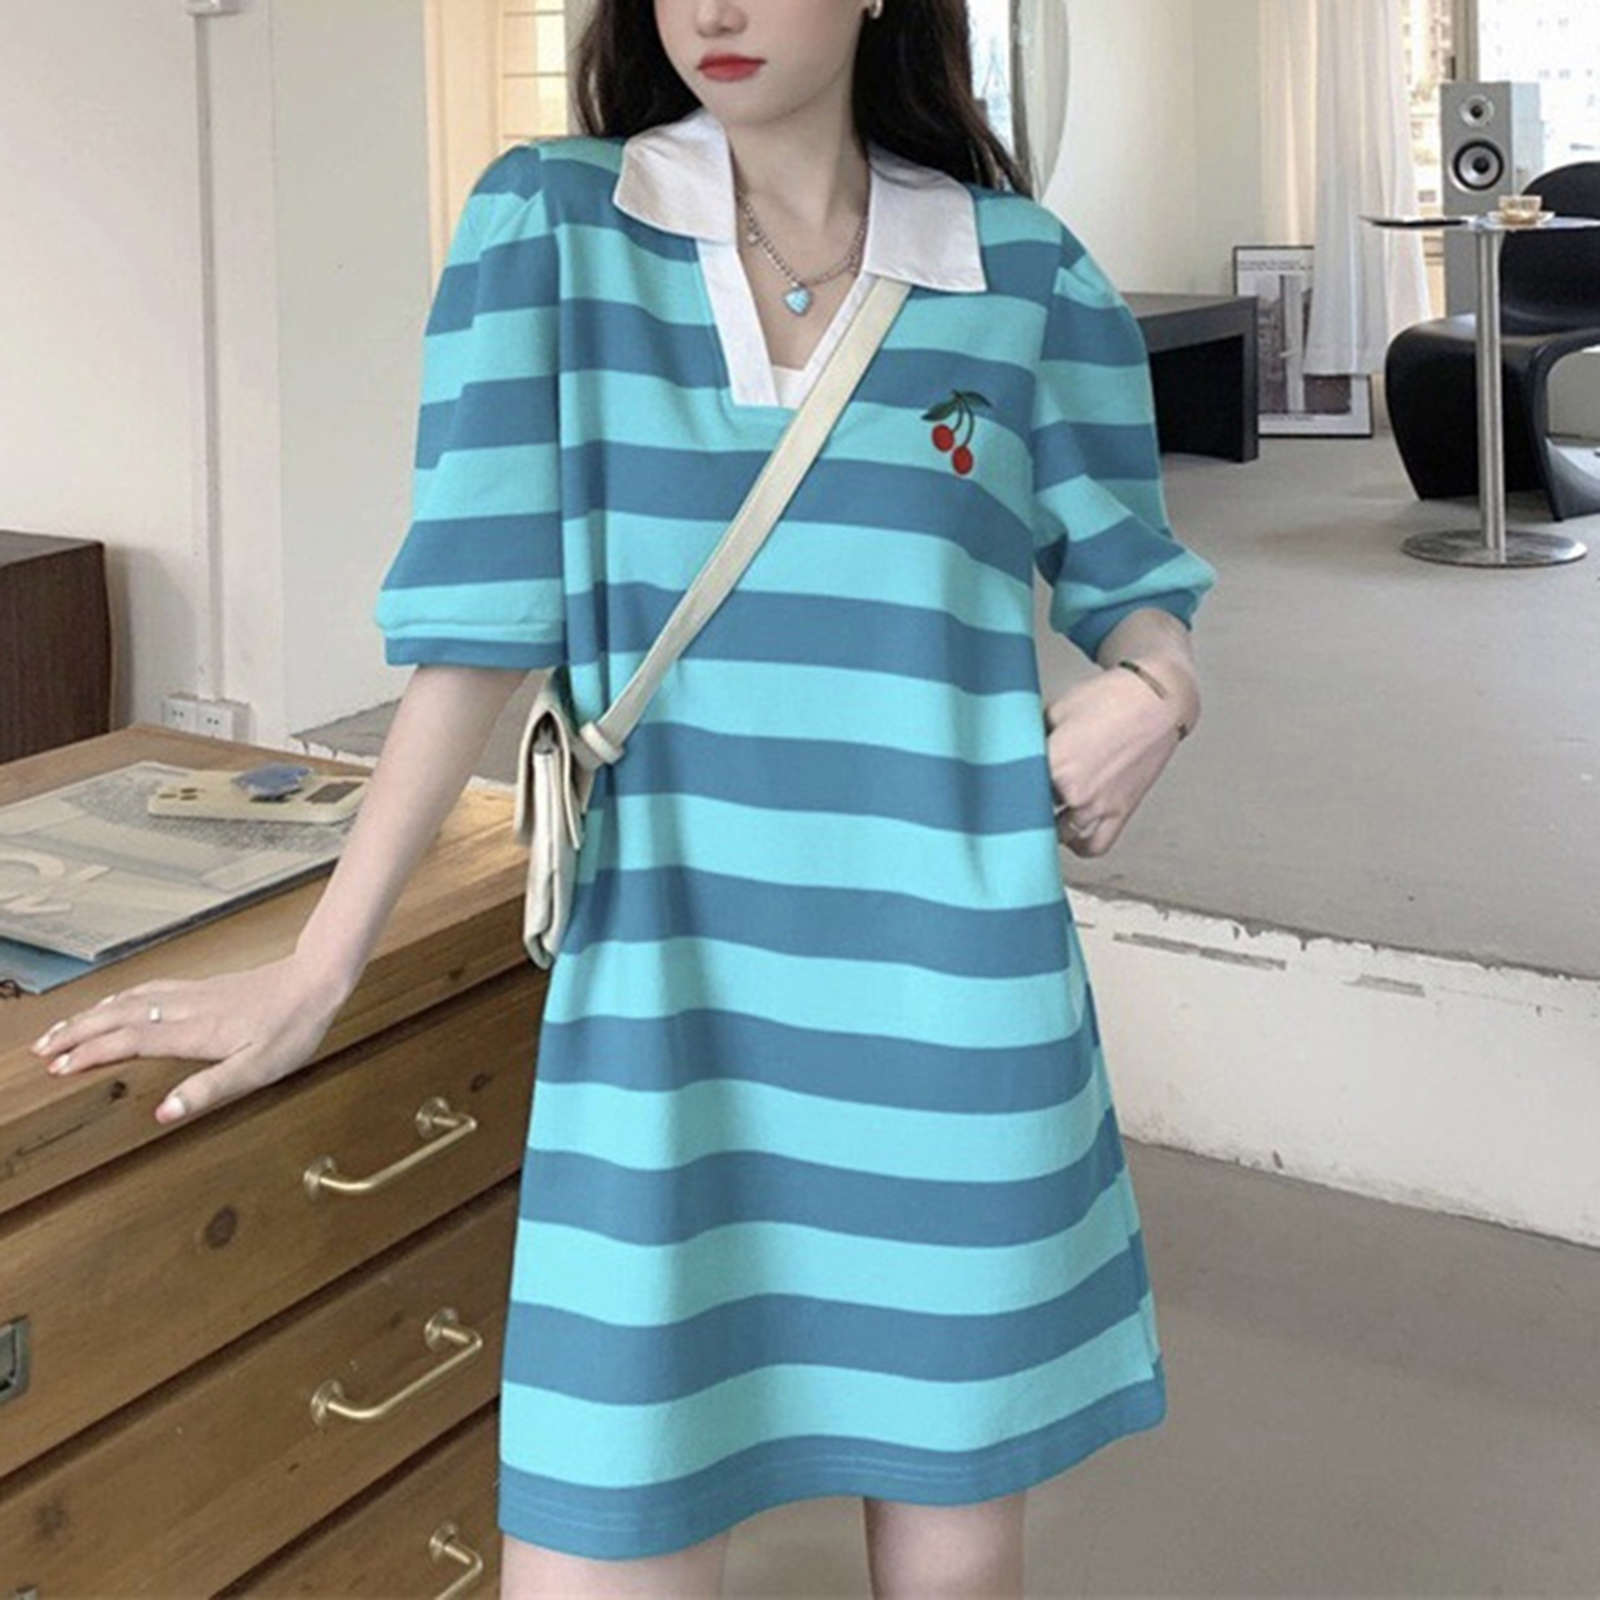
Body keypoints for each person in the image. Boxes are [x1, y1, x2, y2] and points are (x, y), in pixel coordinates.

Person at [30, 0, 1217, 1594]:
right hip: (666, 1009)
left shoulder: (1027, 276)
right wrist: (319, 965)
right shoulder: (552, 227)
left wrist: (1159, 691)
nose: (712, 7)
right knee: (596, 1536)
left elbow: (1138, 586)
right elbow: (476, 630)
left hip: (951, 1015)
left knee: (948, 1559)